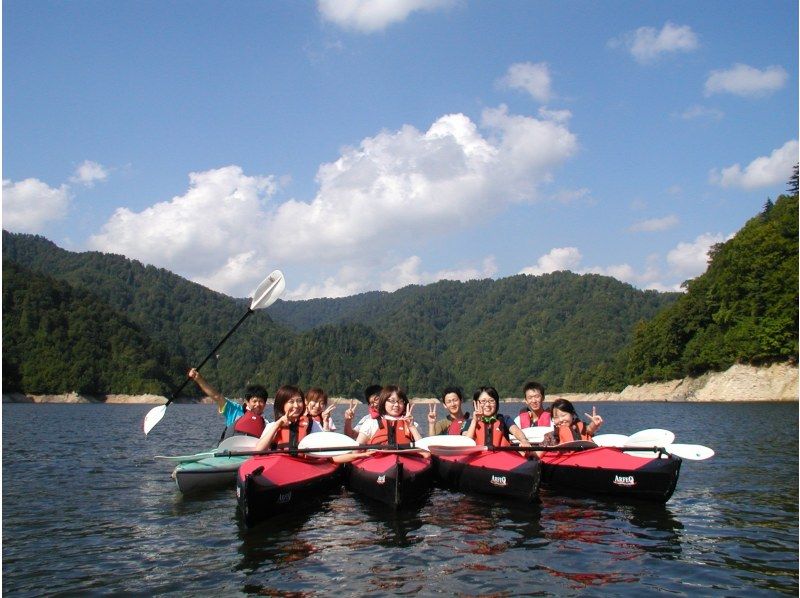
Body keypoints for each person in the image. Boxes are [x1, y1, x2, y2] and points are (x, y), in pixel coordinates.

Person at [187, 368, 270, 440]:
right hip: (229, 450)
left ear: (265, 404)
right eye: (254, 401)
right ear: (247, 402)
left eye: (261, 402)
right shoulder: (234, 410)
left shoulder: (266, 424)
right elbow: (217, 396)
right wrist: (198, 378)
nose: (258, 404)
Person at [254, 385, 324, 451]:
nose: (296, 405)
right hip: (280, 462)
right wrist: (277, 425)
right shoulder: (272, 426)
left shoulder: (313, 424)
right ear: (282, 404)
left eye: (299, 401)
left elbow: (324, 448)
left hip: (304, 462)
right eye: (291, 402)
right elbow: (259, 450)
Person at [463, 386, 531, 448]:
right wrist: (474, 421)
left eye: (491, 401)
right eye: (483, 401)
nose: (487, 404)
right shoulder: (470, 422)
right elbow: (466, 443)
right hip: (479, 458)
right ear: (475, 403)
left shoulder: (505, 419)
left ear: (497, 403)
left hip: (502, 458)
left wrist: (524, 440)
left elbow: (516, 431)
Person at [538, 398, 603, 448]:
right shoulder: (550, 436)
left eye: (563, 415)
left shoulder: (581, 429)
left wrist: (594, 424)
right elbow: (540, 452)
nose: (560, 420)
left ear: (572, 414)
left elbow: (589, 429)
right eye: (556, 417)